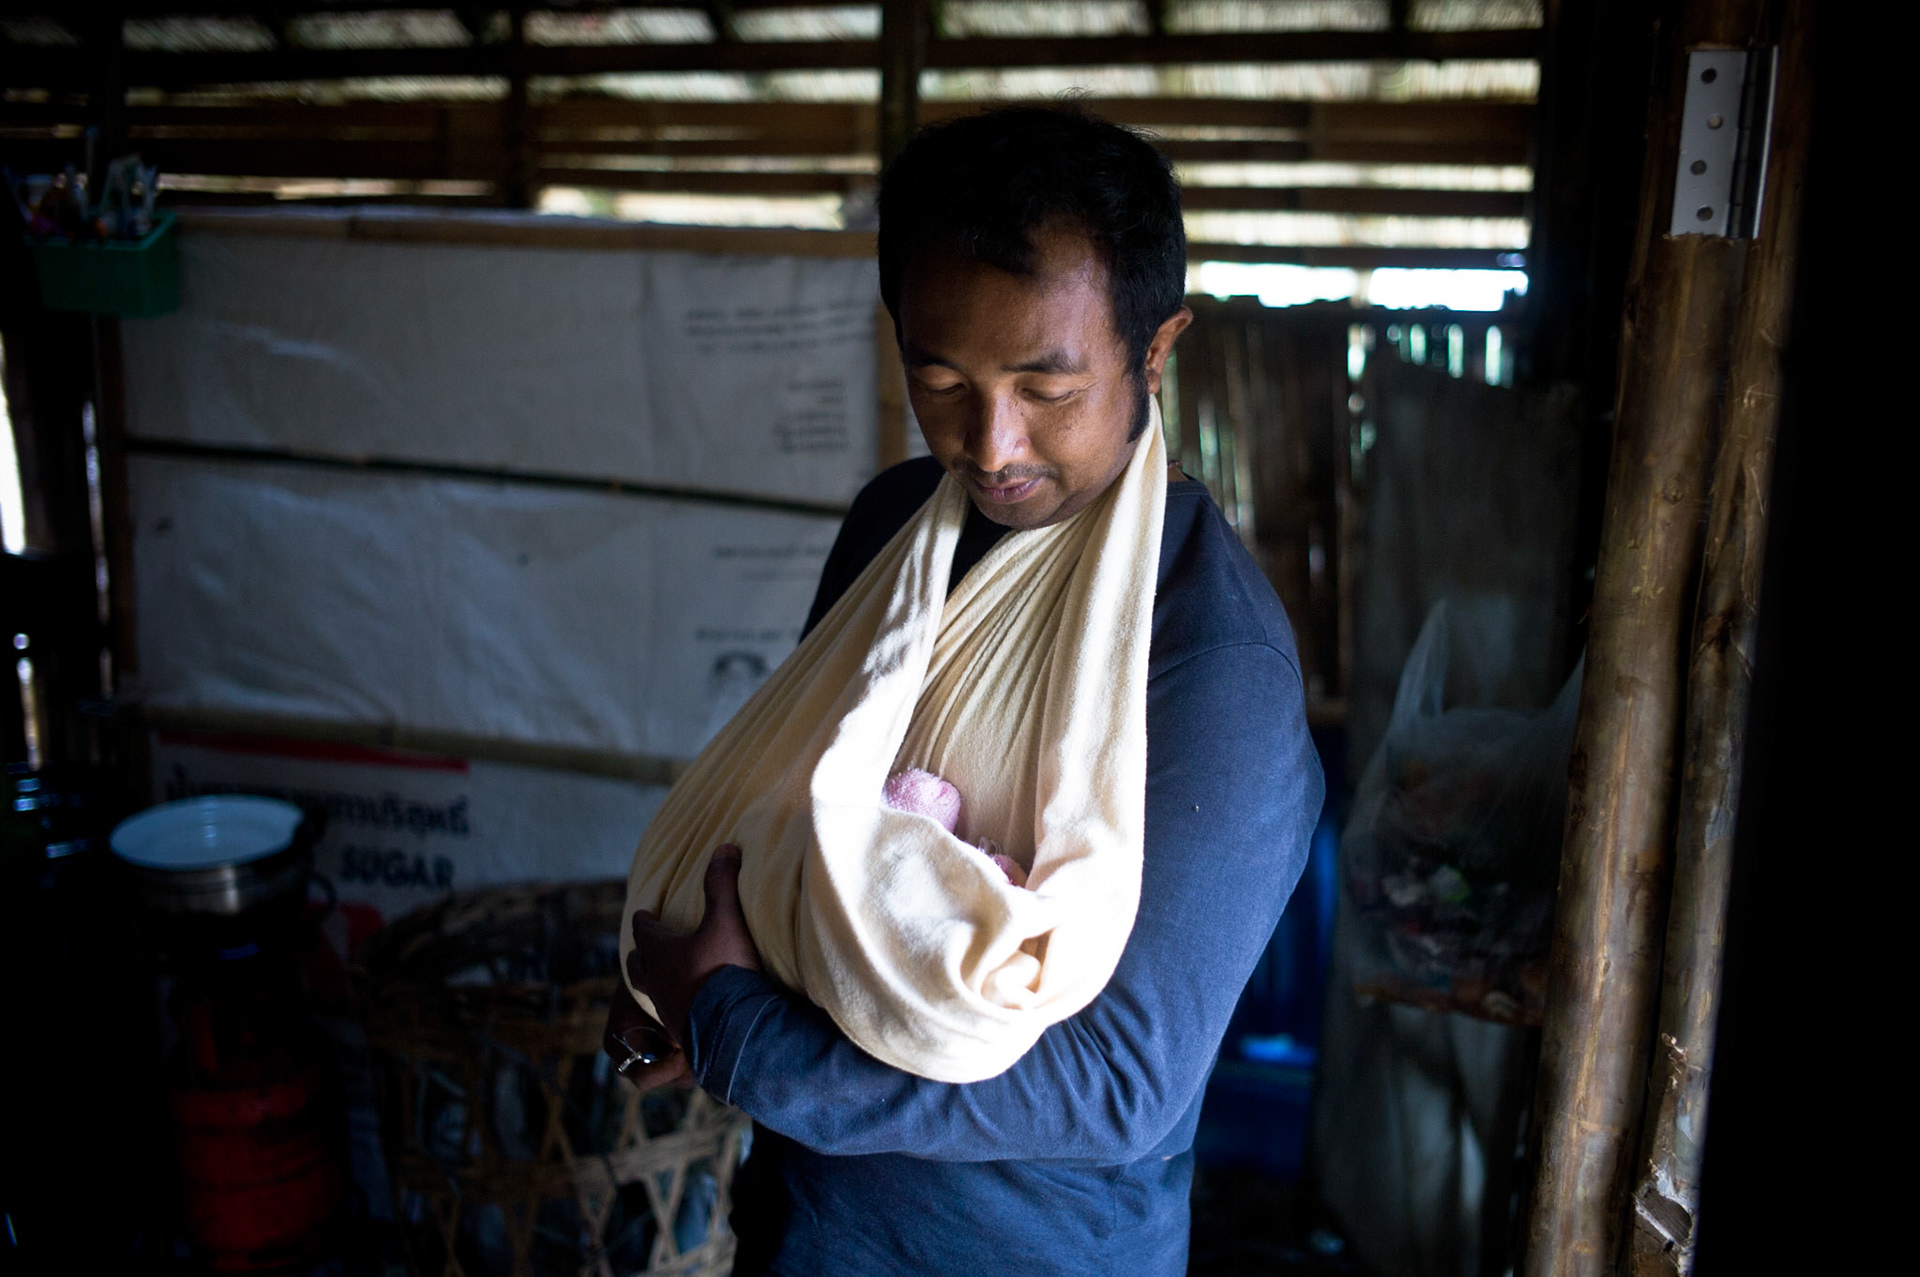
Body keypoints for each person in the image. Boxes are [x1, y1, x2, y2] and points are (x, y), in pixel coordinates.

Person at [604, 106, 1323, 1275]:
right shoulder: (895, 528)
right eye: (939, 380)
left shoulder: (1207, 657)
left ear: (1155, 348)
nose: (991, 445)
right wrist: (687, 989)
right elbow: (810, 836)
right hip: (804, 1224)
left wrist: (737, 1031)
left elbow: (1115, 1086)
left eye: (1046, 387)